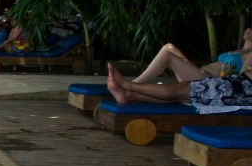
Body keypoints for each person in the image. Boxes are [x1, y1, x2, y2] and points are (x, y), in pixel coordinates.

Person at [106, 61, 252, 108]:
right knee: (183, 95)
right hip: (240, 81)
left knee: (183, 90)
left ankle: (127, 85)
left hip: (244, 89)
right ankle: (128, 95)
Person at [130, 28, 252, 83]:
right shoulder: (240, 51)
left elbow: (243, 78)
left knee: (167, 55)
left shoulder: (250, 56)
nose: (248, 30)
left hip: (207, 80)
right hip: (199, 72)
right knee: (169, 47)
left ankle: (136, 83)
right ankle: (136, 83)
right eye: (249, 28)